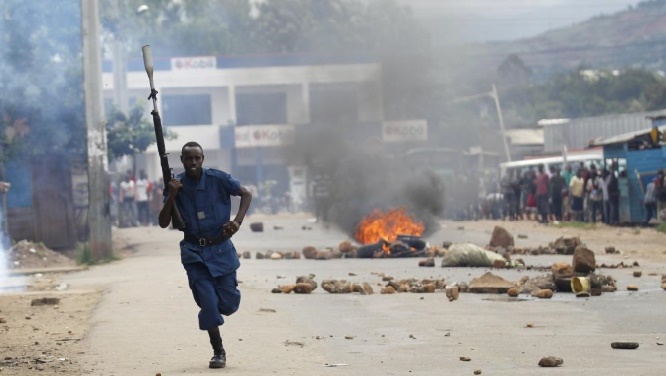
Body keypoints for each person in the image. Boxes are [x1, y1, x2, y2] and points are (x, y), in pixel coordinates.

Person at [159, 141, 252, 369]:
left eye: (196, 158)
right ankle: (218, 350)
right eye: (188, 159)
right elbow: (163, 222)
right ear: (181, 160)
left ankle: (220, 307)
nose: (192, 163)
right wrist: (171, 195)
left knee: (228, 304)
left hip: (221, 250)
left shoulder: (218, 179)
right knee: (209, 304)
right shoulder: (175, 185)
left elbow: (246, 194)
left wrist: (237, 221)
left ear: (202, 159)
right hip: (194, 254)